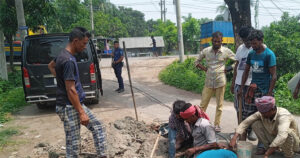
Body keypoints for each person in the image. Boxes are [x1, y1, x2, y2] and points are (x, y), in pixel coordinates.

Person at [51, 27, 106, 157]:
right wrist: (81, 113)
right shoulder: (68, 60)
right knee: (73, 145)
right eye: (84, 43)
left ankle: (102, 155)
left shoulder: (62, 55)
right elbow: (71, 89)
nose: (85, 47)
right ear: (76, 41)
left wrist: (61, 80)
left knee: (98, 127)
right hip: (69, 107)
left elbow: (51, 66)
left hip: (73, 104)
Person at [238, 29, 277, 154]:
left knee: (264, 119)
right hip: (252, 89)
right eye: (252, 43)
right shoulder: (251, 54)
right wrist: (241, 87)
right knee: (246, 116)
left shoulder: (269, 55)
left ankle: (262, 145)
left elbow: (274, 76)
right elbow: (246, 71)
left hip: (264, 91)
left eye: (255, 43)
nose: (253, 46)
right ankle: (241, 142)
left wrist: (269, 94)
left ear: (261, 41)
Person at [230, 96, 300, 158]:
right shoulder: (262, 113)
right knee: (255, 124)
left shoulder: (283, 115)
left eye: (264, 113)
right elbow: (246, 122)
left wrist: (267, 154)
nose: (262, 115)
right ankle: (270, 148)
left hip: (292, 142)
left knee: (287, 133)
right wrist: (234, 137)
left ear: (272, 109)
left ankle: (289, 155)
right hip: (275, 138)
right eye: (261, 112)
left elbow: (282, 136)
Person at [195, 31, 236, 132]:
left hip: (220, 81)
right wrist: (205, 69)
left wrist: (230, 68)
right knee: (203, 104)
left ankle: (217, 124)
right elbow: (196, 61)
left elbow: (238, 61)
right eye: (215, 41)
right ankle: (201, 122)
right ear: (211, 41)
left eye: (219, 41)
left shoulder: (226, 51)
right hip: (208, 81)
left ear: (222, 41)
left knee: (220, 105)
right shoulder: (206, 51)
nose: (217, 43)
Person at [230, 26, 257, 141]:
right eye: (244, 40)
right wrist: (233, 83)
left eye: (248, 40)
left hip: (251, 84)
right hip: (238, 83)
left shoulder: (257, 48)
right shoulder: (240, 48)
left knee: (251, 110)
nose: (246, 43)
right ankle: (241, 130)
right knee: (238, 108)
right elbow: (237, 65)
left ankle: (251, 131)